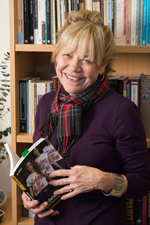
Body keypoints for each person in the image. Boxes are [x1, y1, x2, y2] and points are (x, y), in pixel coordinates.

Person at [22, 9, 150, 225]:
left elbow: (143, 181)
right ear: (56, 56)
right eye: (67, 54)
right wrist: (29, 197)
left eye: (87, 60)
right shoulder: (46, 102)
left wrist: (103, 180)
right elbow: (38, 168)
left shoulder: (122, 111)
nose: (73, 67)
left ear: (102, 66)